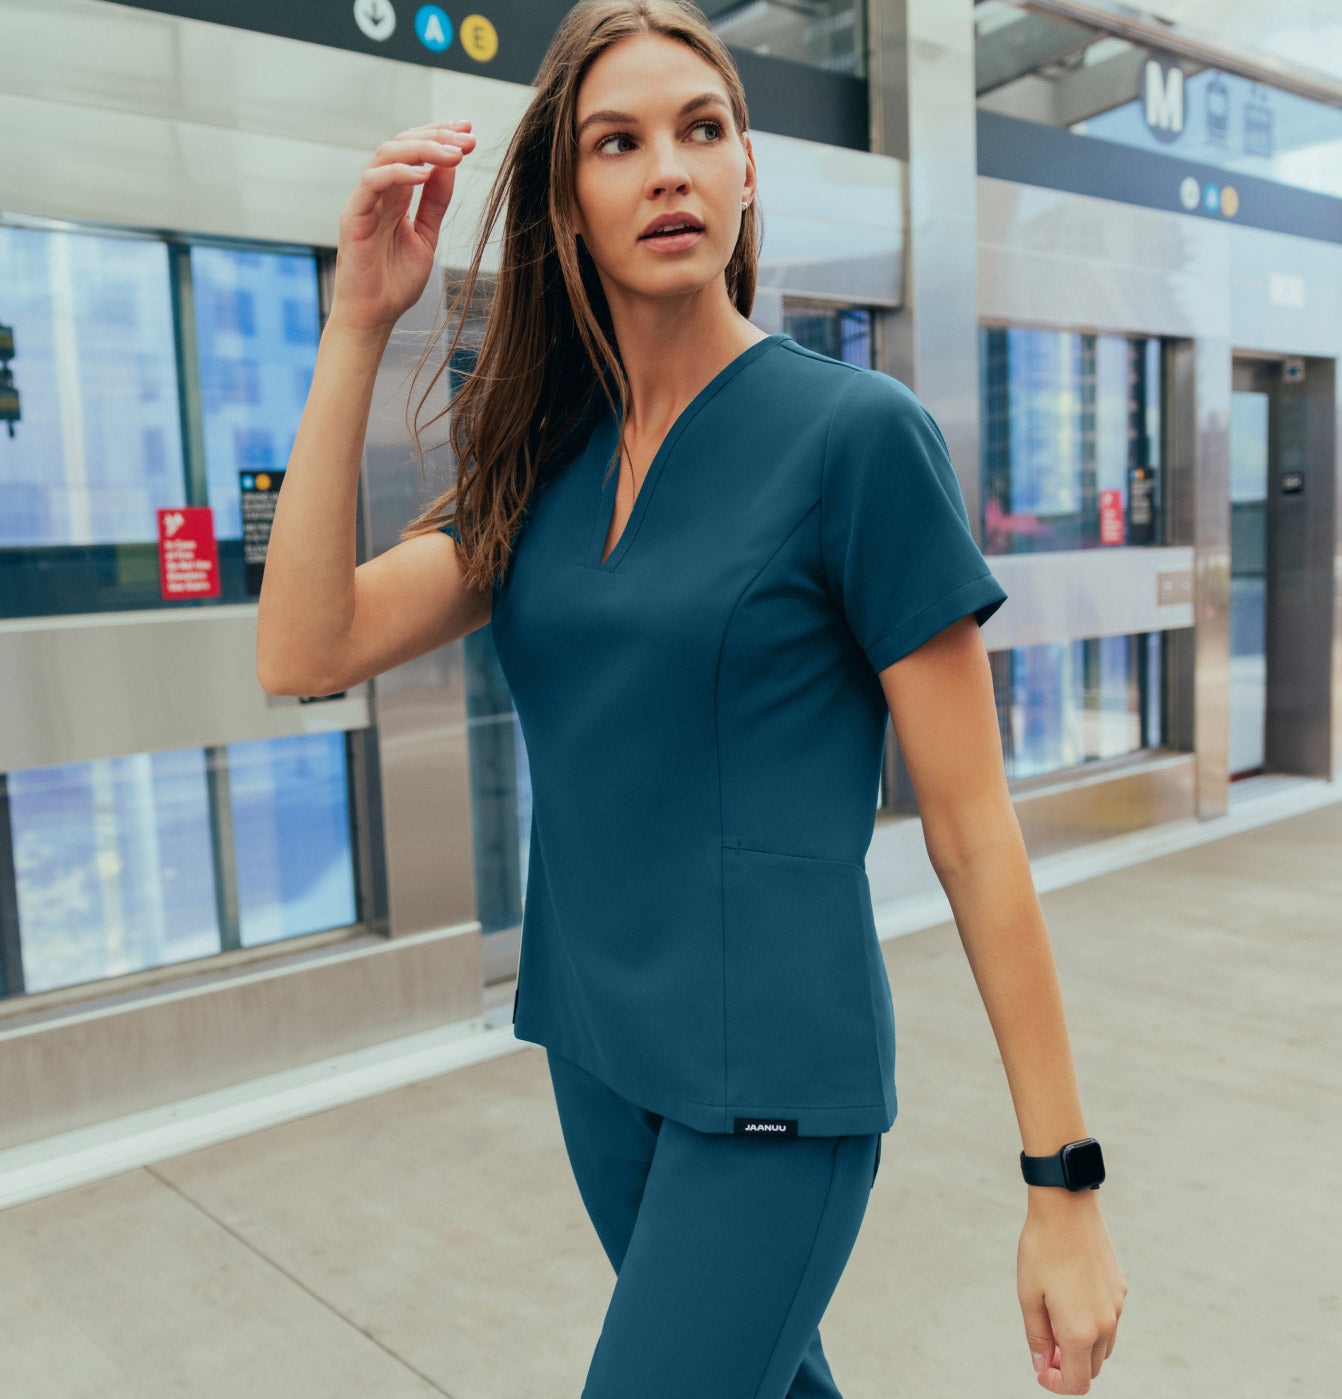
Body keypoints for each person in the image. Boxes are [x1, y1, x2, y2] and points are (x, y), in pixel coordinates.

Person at [256, 2, 1127, 1394]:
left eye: (700, 130)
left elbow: (972, 833)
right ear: (568, 202)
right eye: (618, 142)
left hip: (771, 1085)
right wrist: (358, 323)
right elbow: (303, 649)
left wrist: (1060, 1184)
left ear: (744, 176)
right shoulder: (542, 464)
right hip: (597, 1058)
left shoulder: (854, 440)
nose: (667, 168)